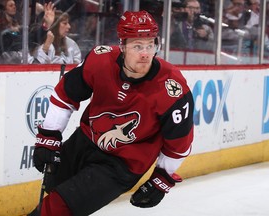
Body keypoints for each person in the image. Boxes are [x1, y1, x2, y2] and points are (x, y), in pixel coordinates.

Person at [28, 10, 194, 216]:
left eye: (150, 45)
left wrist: (161, 179)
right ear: (122, 46)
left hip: (122, 164)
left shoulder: (172, 87)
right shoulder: (100, 60)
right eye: (137, 46)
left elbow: (179, 144)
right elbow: (66, 94)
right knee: (54, 188)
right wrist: (49, 135)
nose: (145, 53)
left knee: (57, 208)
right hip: (85, 141)